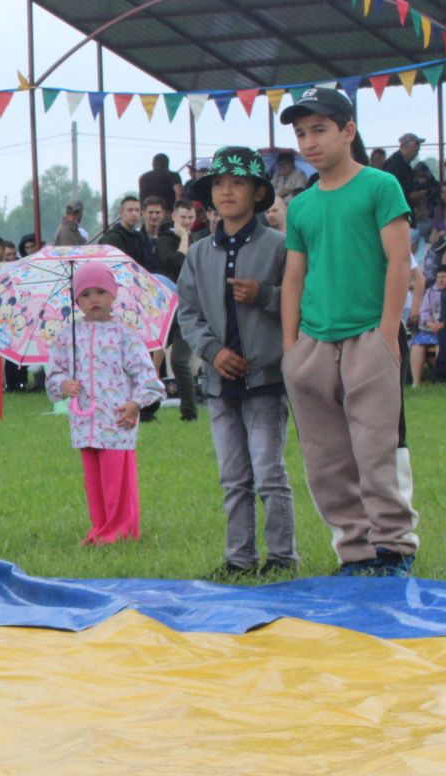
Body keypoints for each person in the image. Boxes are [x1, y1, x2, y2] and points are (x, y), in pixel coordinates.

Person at [277, 88, 417, 577]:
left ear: (348, 131)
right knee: (325, 458)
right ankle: (354, 552)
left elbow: (399, 261)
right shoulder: (302, 205)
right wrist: (290, 348)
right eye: (300, 133)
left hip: (368, 336)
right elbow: (294, 276)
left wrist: (386, 335)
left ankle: (394, 547)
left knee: (377, 449)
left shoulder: (380, 187)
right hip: (313, 343)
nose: (309, 142)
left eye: (319, 129)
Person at [175, 147, 296, 578]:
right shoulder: (199, 253)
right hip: (218, 383)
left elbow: (303, 302)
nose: (227, 191)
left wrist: (264, 296)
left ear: (257, 192)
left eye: (238, 183)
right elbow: (187, 312)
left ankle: (282, 557)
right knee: (232, 477)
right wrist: (212, 352)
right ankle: (238, 558)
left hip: (266, 379)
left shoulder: (280, 248)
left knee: (269, 473)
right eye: (219, 184)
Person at [46, 262, 163, 544]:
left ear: (113, 295)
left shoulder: (125, 334)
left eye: (100, 292)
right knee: (95, 481)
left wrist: (136, 404)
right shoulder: (68, 336)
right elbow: (55, 372)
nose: (93, 299)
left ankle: (121, 530)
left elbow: (147, 376)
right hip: (84, 420)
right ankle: (100, 527)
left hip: (116, 418)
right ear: (76, 301)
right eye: (85, 295)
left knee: (117, 479)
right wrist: (64, 384)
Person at [143, 194, 198, 422]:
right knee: (147, 360)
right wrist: (183, 236)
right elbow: (177, 262)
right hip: (164, 309)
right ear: (173, 216)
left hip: (188, 309)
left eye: (191, 218)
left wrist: (187, 237)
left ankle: (189, 412)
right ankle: (147, 410)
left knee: (178, 361)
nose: (186, 222)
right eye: (183, 217)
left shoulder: (199, 241)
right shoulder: (166, 239)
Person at [97, 195, 152, 269]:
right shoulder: (112, 237)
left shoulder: (140, 236)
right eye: (130, 210)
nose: (134, 214)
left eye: (137, 210)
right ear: (121, 213)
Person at [382, 134, 421, 201]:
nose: (417, 154)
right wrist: (410, 196)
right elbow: (391, 190)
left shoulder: (404, 165)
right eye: (415, 150)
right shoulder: (395, 164)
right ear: (405, 147)